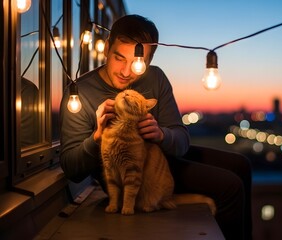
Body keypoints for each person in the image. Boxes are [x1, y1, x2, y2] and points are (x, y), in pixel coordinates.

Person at [59, 14, 252, 240]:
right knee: (230, 186)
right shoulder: (80, 93)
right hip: (132, 172)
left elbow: (181, 140)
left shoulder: (156, 77)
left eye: (137, 63)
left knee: (241, 164)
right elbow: (71, 167)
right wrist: (98, 137)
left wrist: (162, 134)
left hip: (162, 157)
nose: (125, 71)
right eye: (119, 58)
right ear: (106, 48)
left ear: (148, 60)